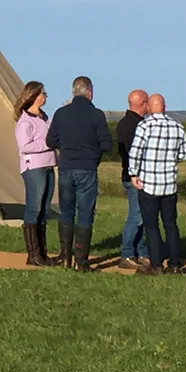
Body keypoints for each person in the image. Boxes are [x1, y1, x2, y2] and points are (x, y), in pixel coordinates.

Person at [46, 76, 112, 272]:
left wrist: (67, 146)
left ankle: (65, 258)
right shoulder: (96, 115)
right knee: (85, 214)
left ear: (73, 92)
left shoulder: (61, 113)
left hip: (66, 168)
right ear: (90, 93)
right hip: (87, 169)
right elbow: (107, 143)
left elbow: (51, 141)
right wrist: (92, 150)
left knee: (66, 212)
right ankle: (81, 262)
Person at [128, 94, 186, 275]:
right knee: (171, 224)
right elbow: (185, 153)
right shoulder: (178, 126)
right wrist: (170, 160)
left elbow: (135, 152)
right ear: (165, 106)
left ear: (149, 107)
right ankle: (175, 264)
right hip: (169, 184)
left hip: (149, 184)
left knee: (151, 224)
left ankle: (156, 264)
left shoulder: (145, 125)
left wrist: (134, 173)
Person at [13, 81, 56, 266]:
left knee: (44, 210)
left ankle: (42, 253)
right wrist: (48, 144)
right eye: (43, 93)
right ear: (34, 96)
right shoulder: (25, 121)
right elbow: (25, 146)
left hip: (48, 165)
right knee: (34, 207)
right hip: (34, 167)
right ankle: (33, 254)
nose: (45, 96)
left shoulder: (44, 118)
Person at [115, 89, 151, 269]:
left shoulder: (123, 123)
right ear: (142, 104)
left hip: (129, 175)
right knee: (136, 216)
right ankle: (127, 253)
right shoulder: (137, 125)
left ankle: (141, 251)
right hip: (136, 177)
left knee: (142, 215)